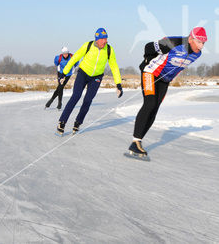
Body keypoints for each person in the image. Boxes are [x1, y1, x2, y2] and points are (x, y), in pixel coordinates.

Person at [128, 26, 207, 158]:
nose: (201, 46)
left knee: (155, 109)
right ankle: (135, 141)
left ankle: (137, 142)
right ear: (191, 39)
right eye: (199, 42)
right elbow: (149, 47)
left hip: (165, 80)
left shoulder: (197, 54)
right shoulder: (173, 43)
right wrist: (146, 61)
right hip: (151, 73)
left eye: (203, 43)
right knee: (150, 104)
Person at [56, 28, 123, 135]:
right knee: (76, 96)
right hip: (83, 73)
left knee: (88, 100)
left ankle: (78, 122)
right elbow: (74, 59)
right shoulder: (88, 45)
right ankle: (62, 122)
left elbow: (114, 66)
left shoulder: (109, 50)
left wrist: (118, 84)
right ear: (97, 39)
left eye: (106, 39)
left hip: (96, 77)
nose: (105, 41)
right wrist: (64, 73)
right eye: (102, 39)